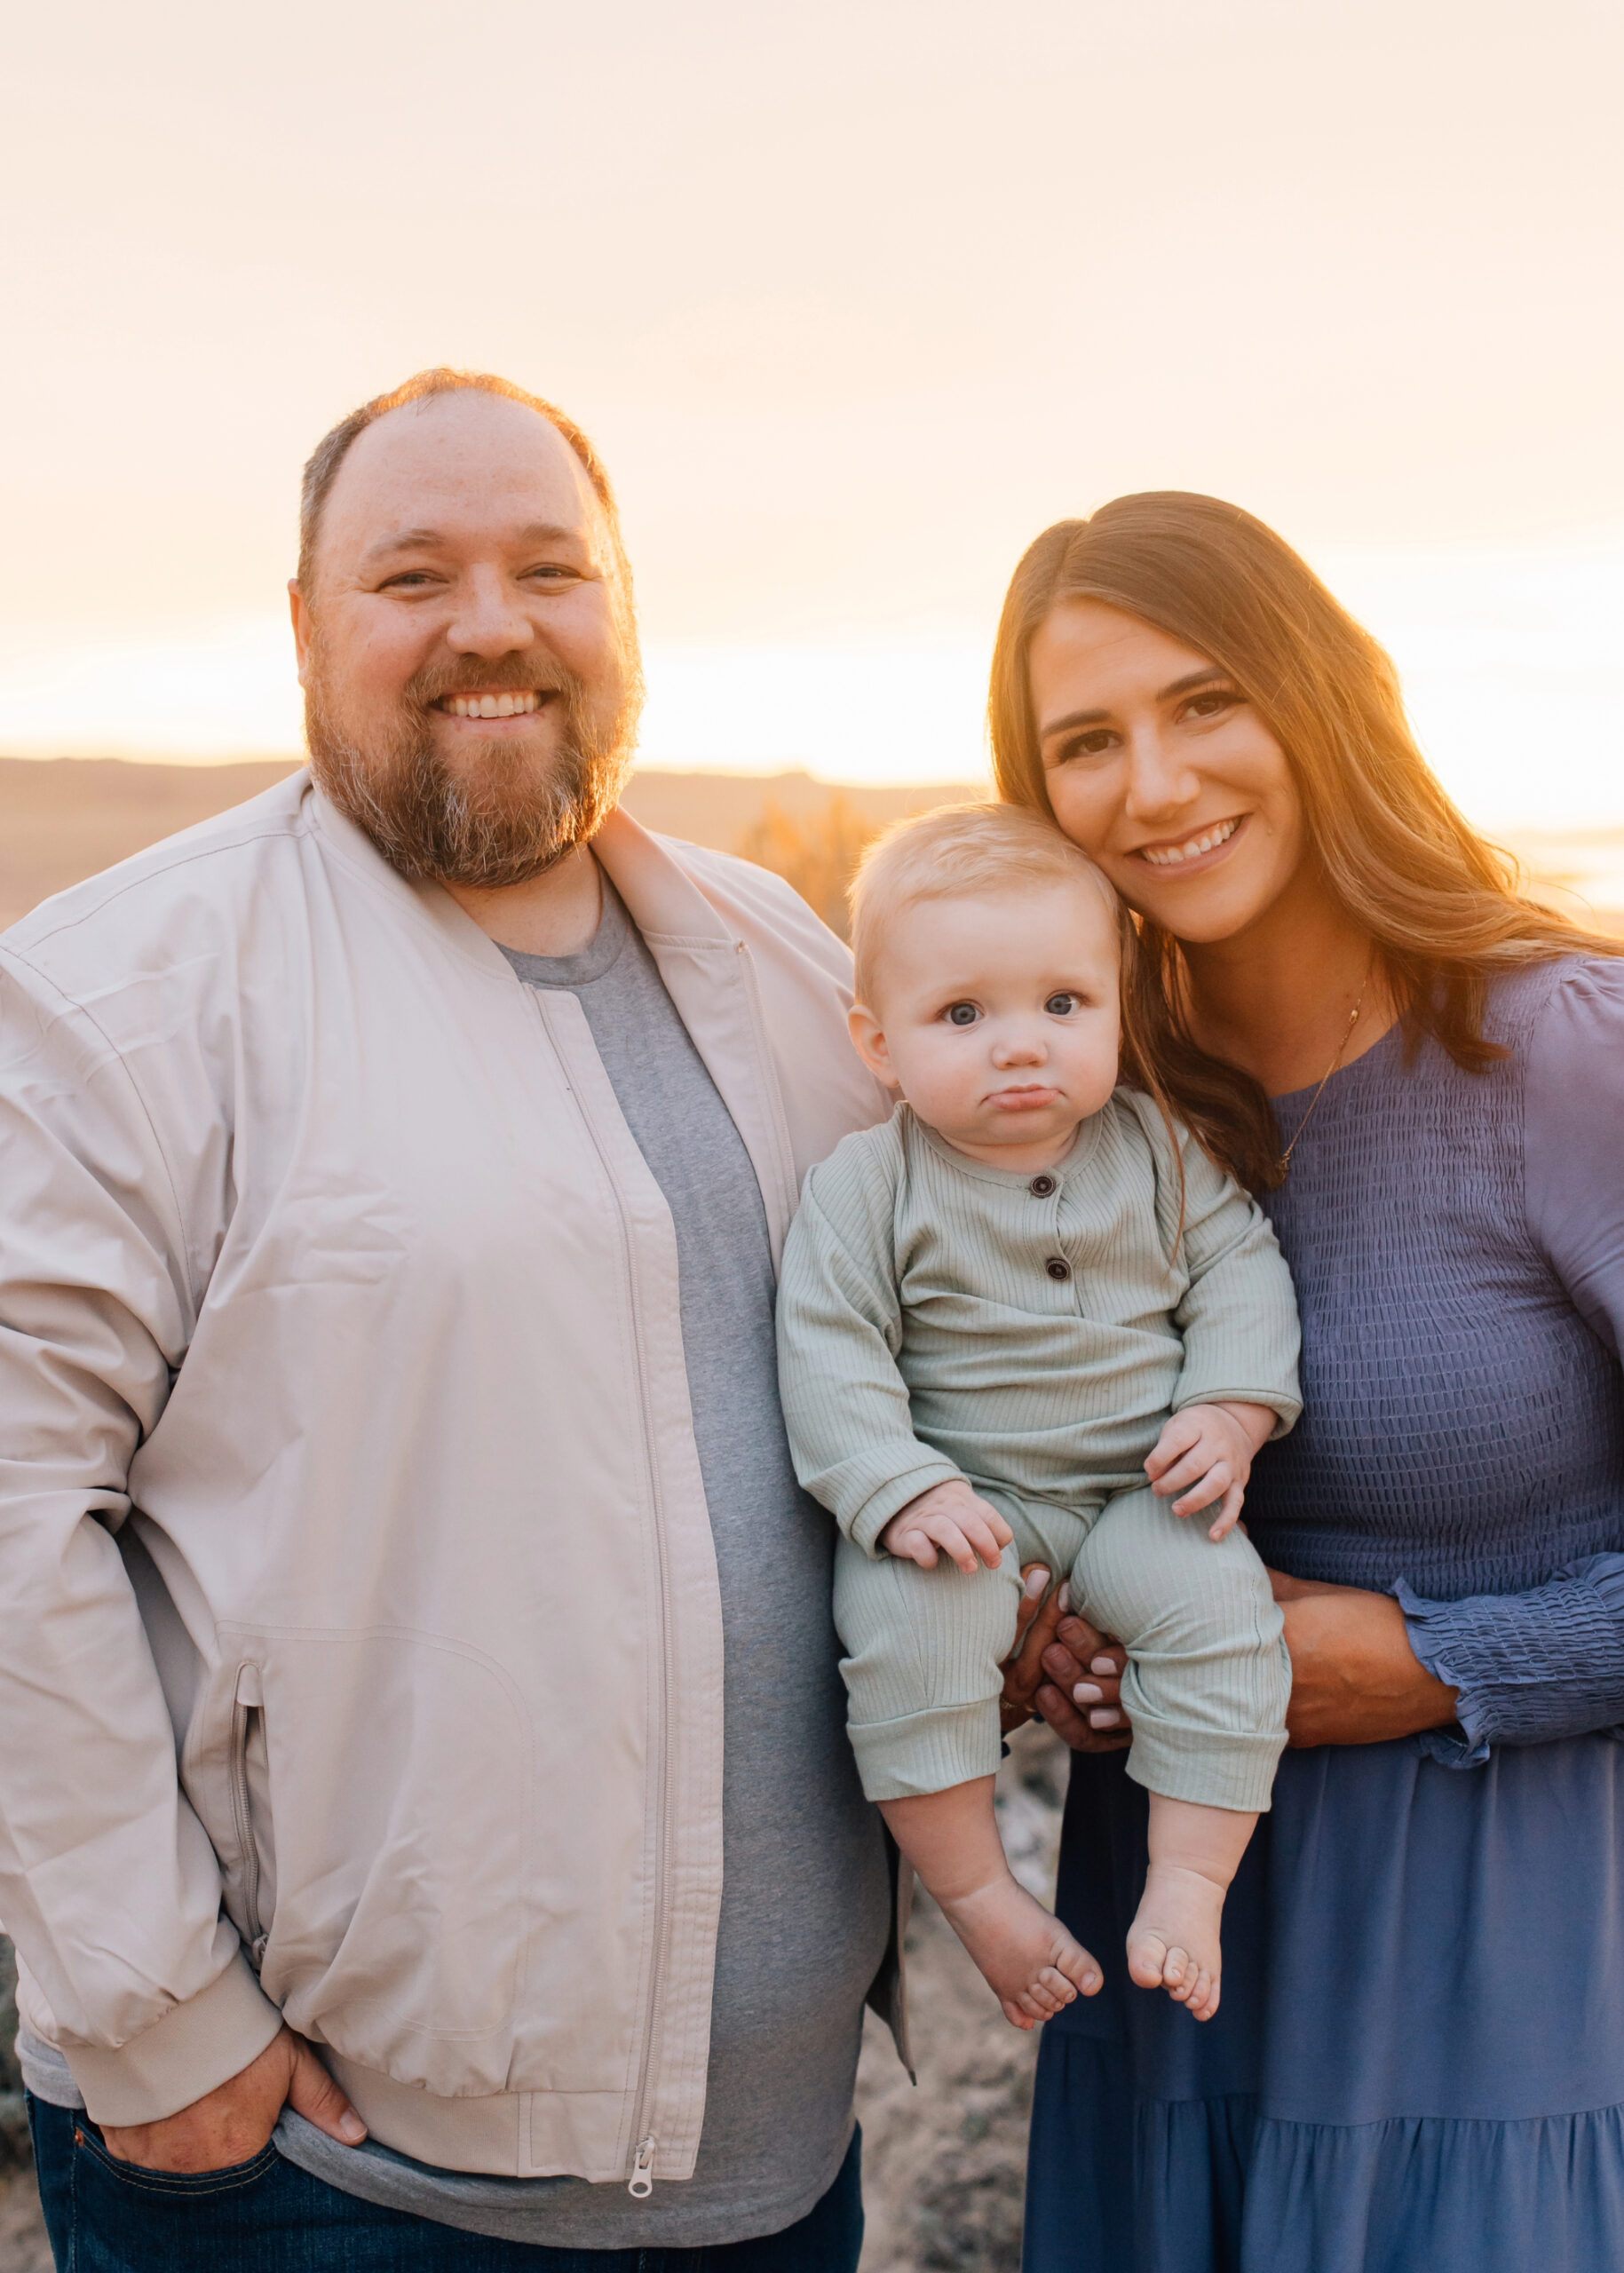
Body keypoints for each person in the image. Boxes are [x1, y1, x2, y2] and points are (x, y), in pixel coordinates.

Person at [0, 367, 904, 2272]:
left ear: (624, 614)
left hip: (783, 2170)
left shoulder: (800, 977)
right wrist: (159, 2023)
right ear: (307, 629)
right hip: (329, 2190)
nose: (491, 619)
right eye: (413, 573)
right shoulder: (120, 993)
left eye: (547, 567)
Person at [991, 491, 1624, 2272]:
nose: (1158, 781)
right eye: (1089, 741)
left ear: (1321, 700)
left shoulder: (1557, 1052)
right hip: (1180, 1971)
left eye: (1209, 704)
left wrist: (1437, 1660)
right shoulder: (1083, 1126)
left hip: (1520, 1971)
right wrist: (1041, 1619)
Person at [776, 803, 1301, 2031]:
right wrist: (896, 1487)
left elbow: (1241, 1268)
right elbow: (827, 1343)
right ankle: (978, 1899)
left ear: (1115, 1005)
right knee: (904, 1628)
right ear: (877, 1040)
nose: (1021, 1047)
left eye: (1062, 1005)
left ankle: (1187, 1883)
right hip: (970, 1507)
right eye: (963, 1016)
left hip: (1141, 1492)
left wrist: (1229, 1410)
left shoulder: (1161, 1155)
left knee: (1225, 1617)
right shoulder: (871, 1184)